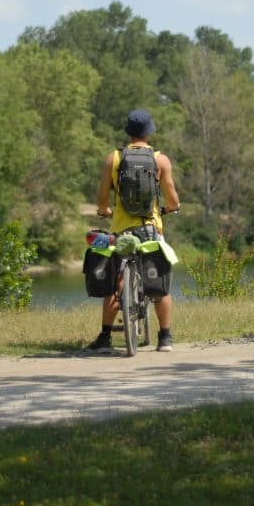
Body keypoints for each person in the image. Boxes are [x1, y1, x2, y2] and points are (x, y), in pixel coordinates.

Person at [88, 109, 180, 353]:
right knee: (159, 283)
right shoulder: (160, 160)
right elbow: (171, 196)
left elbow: (101, 197)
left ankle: (105, 336)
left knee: (114, 280)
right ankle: (165, 338)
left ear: (128, 132)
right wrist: (172, 208)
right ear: (149, 132)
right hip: (150, 229)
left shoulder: (114, 159)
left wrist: (104, 210)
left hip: (121, 230)